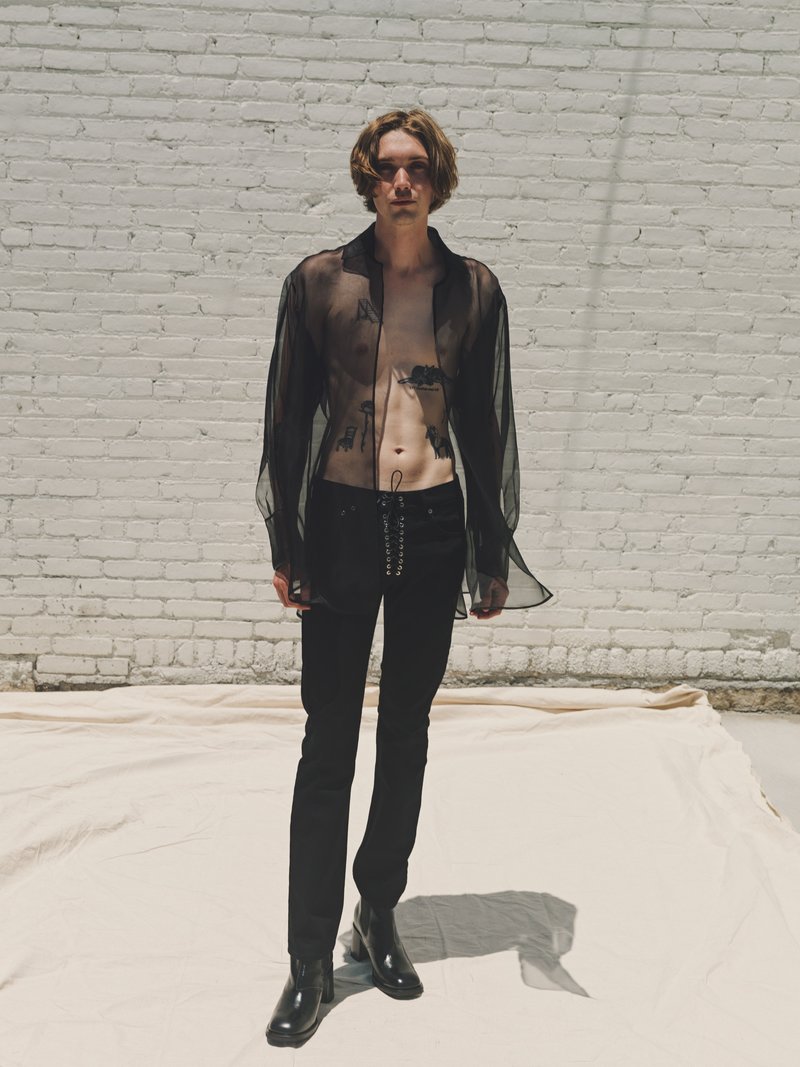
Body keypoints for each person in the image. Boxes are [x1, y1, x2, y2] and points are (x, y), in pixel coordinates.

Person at [257, 107, 553, 1048]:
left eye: (416, 166)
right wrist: (288, 543)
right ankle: (310, 956)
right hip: (342, 521)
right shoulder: (319, 281)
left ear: (437, 179)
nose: (400, 181)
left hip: (431, 524)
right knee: (328, 742)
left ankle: (376, 908)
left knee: (408, 733)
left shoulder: (473, 289)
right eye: (386, 167)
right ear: (366, 178)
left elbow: (488, 423)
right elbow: (287, 416)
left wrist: (488, 547)